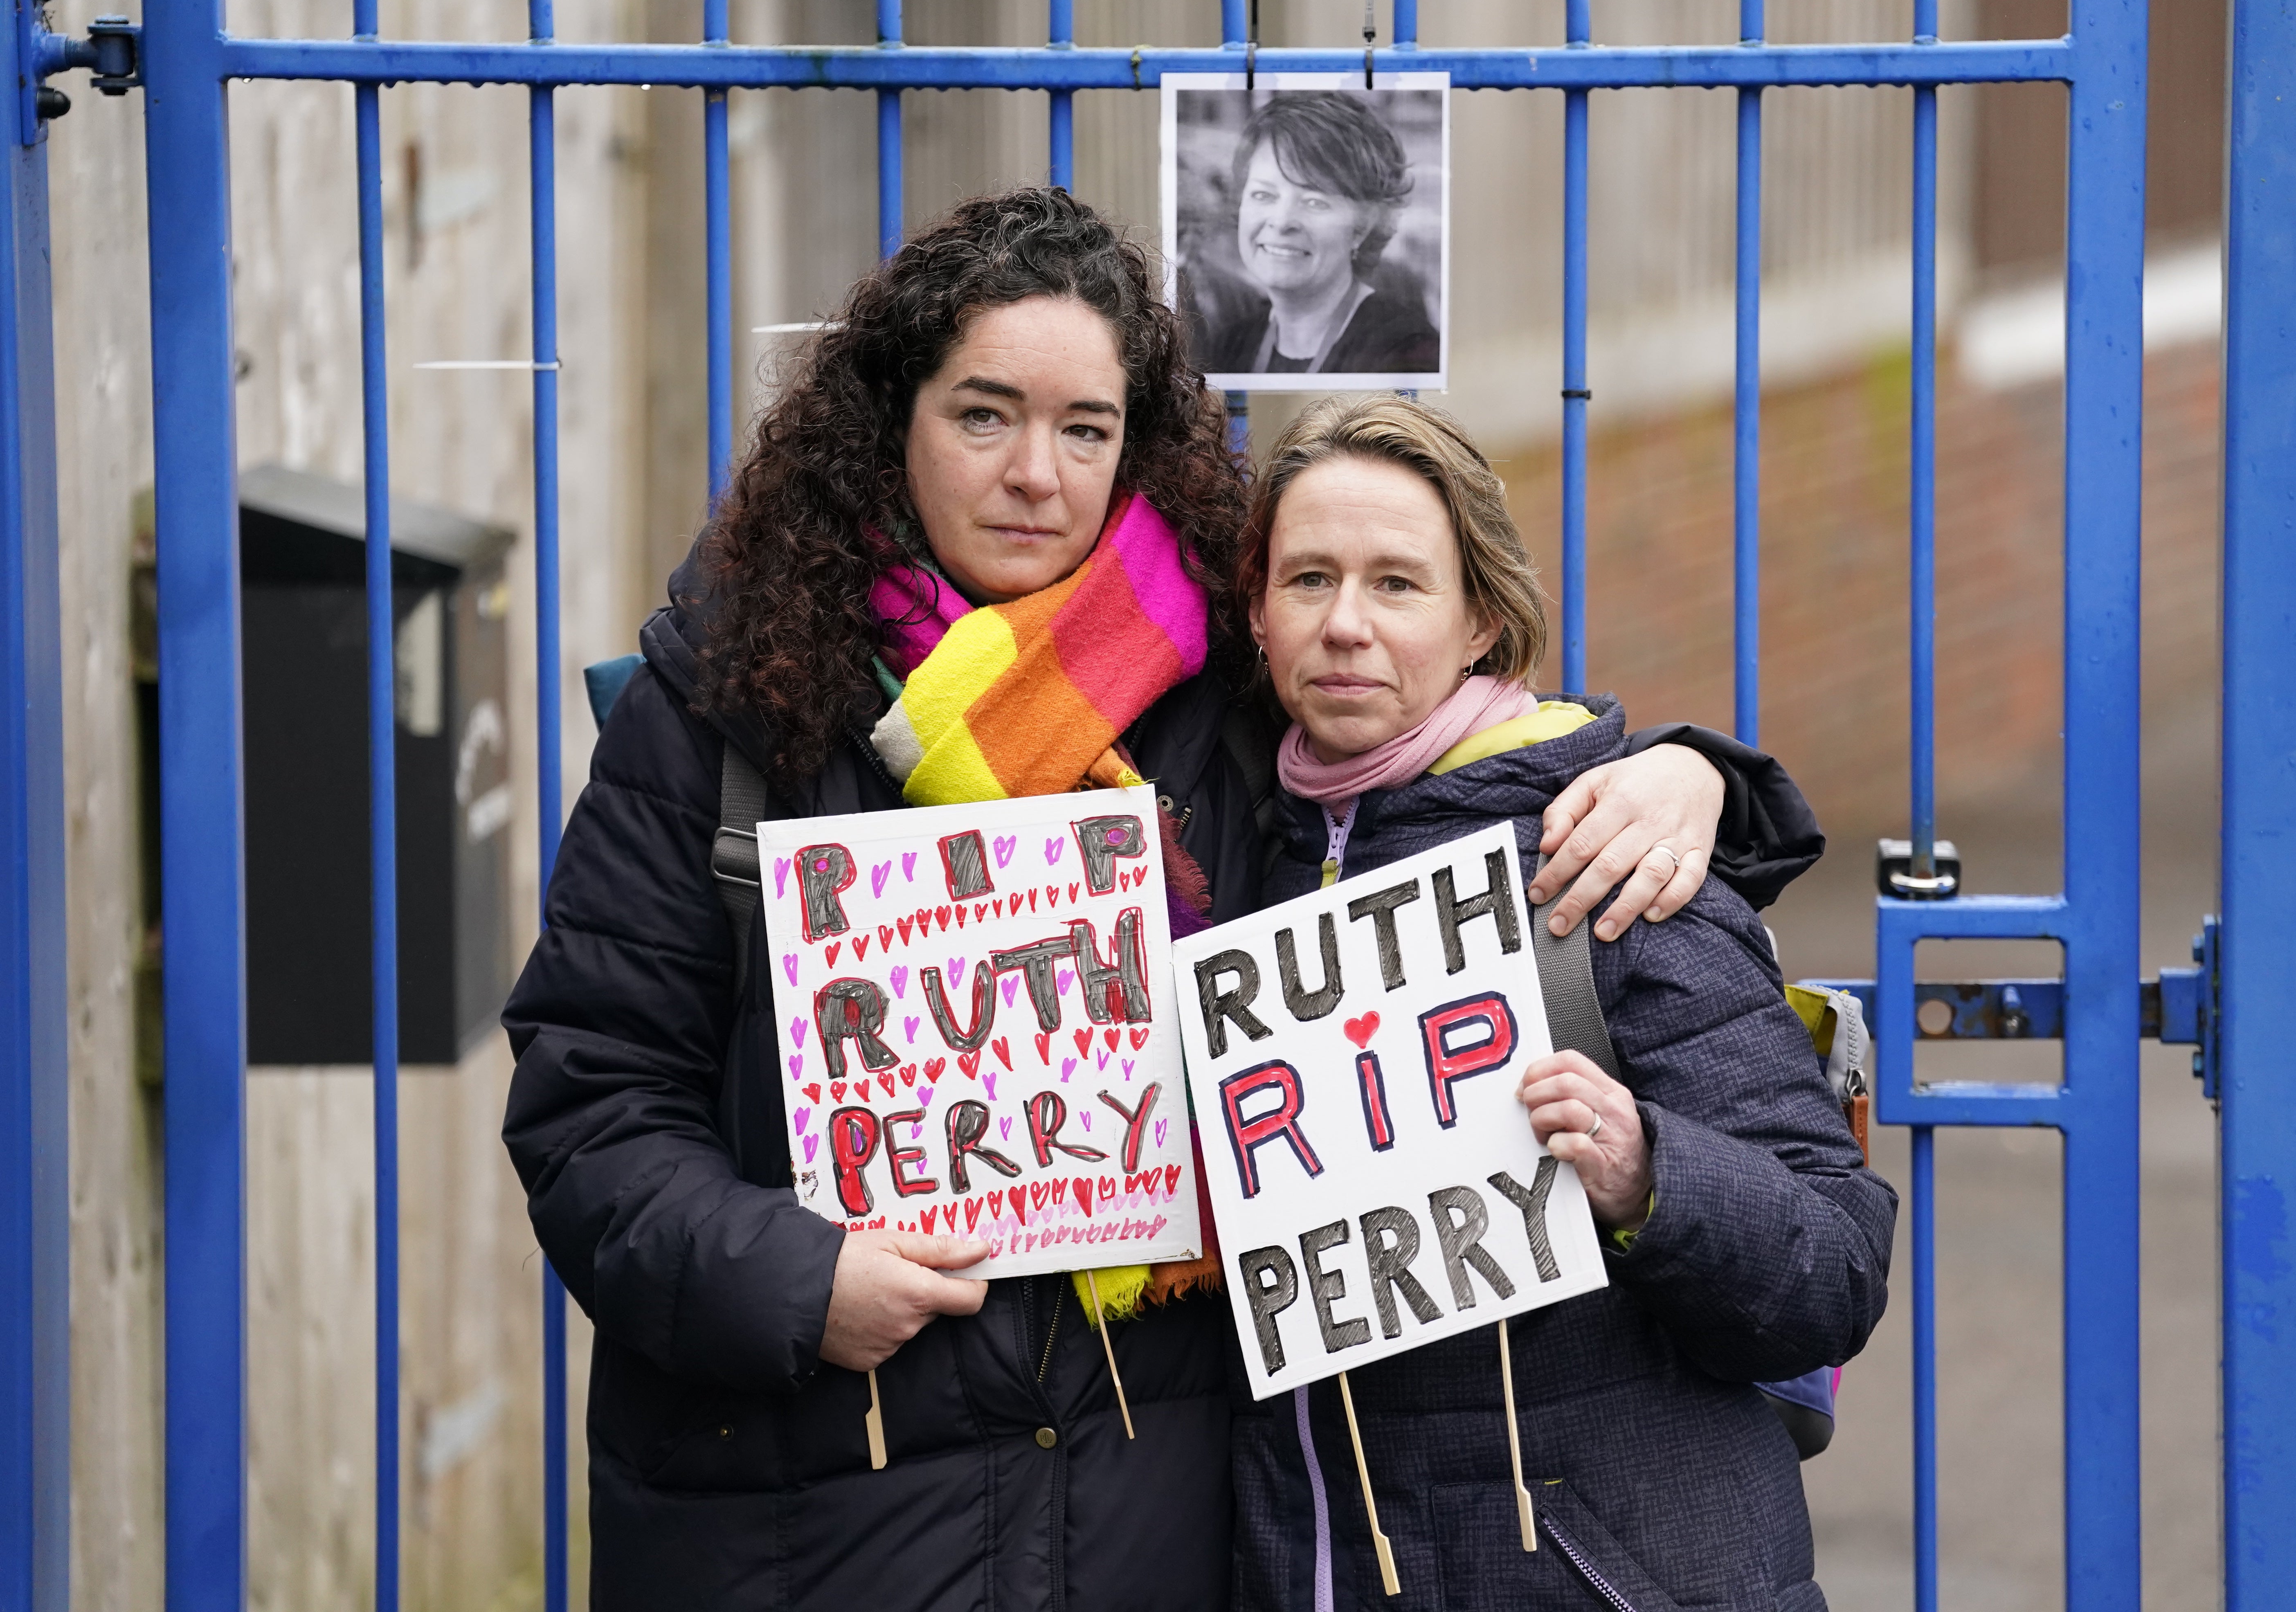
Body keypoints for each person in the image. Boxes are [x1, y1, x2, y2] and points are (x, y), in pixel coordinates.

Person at [501, 188, 1821, 1610]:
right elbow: (593, 1100)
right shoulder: (732, 698)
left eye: (1087, 429)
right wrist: (794, 1280)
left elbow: (1454, 760)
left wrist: (1691, 781)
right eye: (984, 416)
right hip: (809, 1516)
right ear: (893, 418)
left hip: (1150, 1514)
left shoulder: (1222, 691)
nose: (1036, 477)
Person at [1231, 393, 1894, 1610]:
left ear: (1482, 615)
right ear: (1256, 611)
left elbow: (1835, 1265)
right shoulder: (1231, 870)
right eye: (1308, 577)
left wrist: (1652, 1178)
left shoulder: (1603, 857)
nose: (1342, 625)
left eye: (1395, 584)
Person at [1190, 92, 1441, 378]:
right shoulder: (1232, 345)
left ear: (1363, 225)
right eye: (1264, 195)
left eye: (1315, 202)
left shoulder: (1408, 351)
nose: (1282, 222)